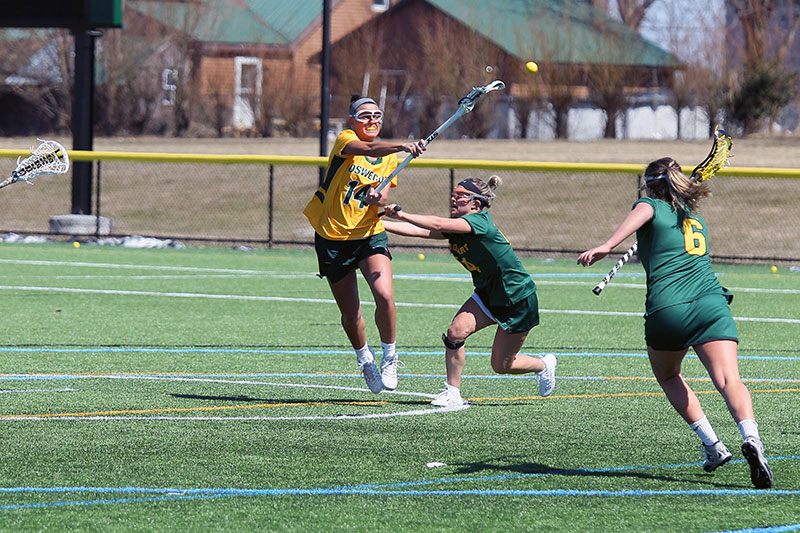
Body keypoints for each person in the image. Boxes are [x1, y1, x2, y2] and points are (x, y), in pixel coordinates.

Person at [577, 157, 773, 489]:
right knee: (729, 380)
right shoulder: (693, 215)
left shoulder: (649, 205)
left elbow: (643, 212)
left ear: (650, 186)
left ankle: (713, 445)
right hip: (711, 303)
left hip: (669, 308)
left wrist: (607, 246)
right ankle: (752, 438)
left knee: (668, 375)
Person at [381, 175, 556, 407]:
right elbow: (420, 232)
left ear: (476, 203)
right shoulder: (457, 227)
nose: (454, 200)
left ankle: (543, 365)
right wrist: (375, 224)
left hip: (516, 298)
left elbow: (437, 224)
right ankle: (452, 393)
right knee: (455, 333)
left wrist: (401, 213)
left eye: (460, 196)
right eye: (454, 194)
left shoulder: (480, 221)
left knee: (502, 366)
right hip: (486, 295)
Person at [303, 96, 425, 394]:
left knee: (384, 295)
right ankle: (364, 358)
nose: (372, 120)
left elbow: (382, 196)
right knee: (351, 313)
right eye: (365, 115)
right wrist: (401, 146)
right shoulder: (346, 140)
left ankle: (390, 356)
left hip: (370, 233)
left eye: (377, 115)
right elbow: (366, 148)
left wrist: (377, 197)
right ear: (352, 121)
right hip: (333, 237)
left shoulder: (388, 158)